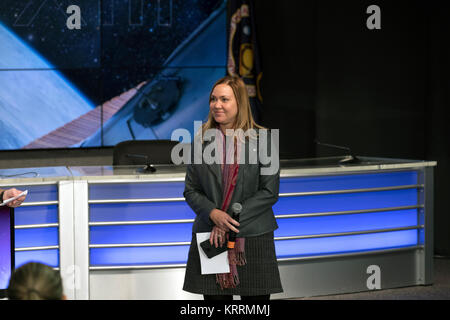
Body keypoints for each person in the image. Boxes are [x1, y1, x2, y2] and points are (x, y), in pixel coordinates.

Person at [182, 75, 283, 300]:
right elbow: (191, 190)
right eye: (213, 99)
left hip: (253, 234)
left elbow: (269, 192)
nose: (217, 105)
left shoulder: (263, 140)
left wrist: (227, 219)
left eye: (224, 99)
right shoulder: (200, 142)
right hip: (211, 234)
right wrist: (212, 213)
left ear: (240, 103)